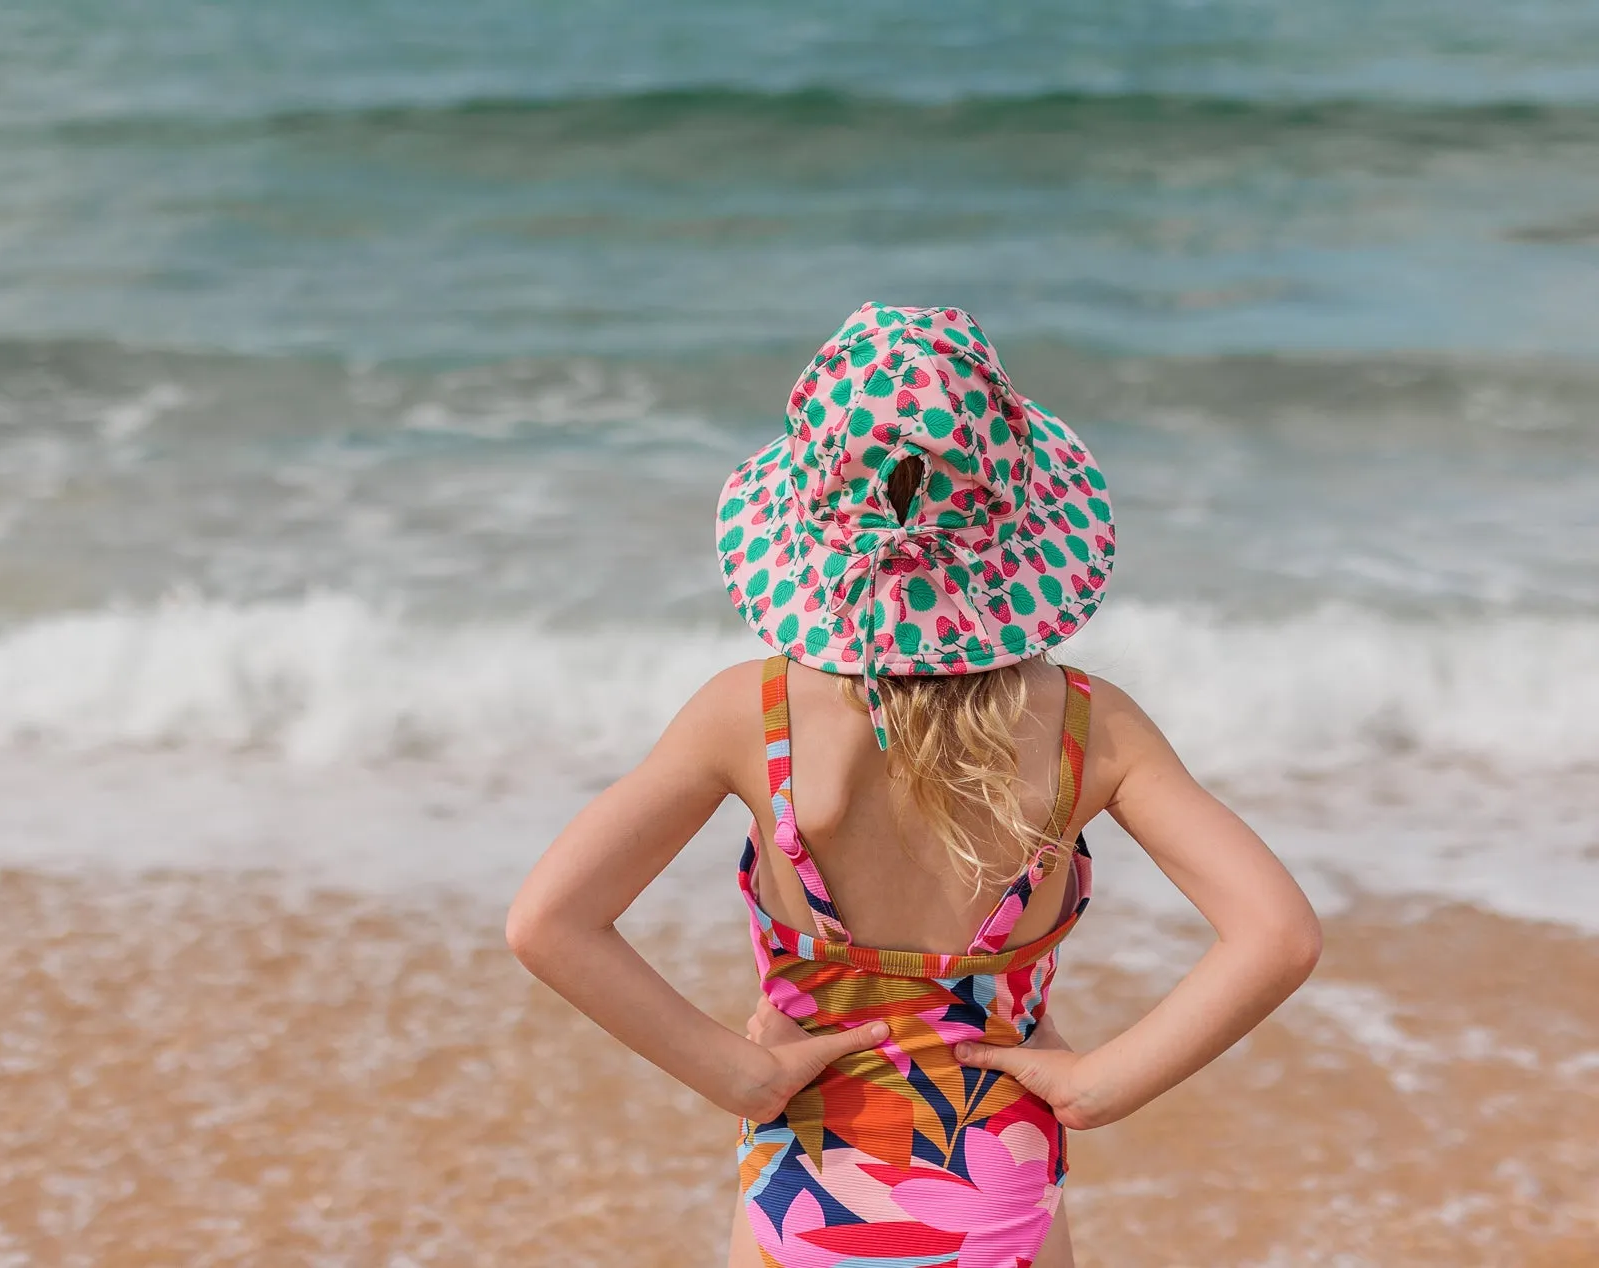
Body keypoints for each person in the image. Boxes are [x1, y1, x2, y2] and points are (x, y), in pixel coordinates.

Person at [505, 303, 1324, 1267]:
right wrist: (1104, 1084)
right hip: (999, 1173)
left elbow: (547, 923)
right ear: (1014, 520)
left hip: (804, 1175)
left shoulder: (750, 715)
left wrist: (736, 1074)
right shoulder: (1088, 728)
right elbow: (1280, 935)